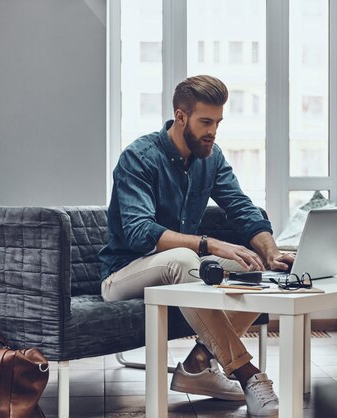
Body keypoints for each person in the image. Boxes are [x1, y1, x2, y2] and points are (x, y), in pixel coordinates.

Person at [99, 75, 294, 417]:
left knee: (252, 269)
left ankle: (198, 364)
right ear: (180, 116)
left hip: (181, 271)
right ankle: (248, 374)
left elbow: (242, 208)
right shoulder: (139, 157)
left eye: (217, 122)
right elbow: (138, 231)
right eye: (206, 122)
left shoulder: (211, 157)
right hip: (123, 275)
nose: (213, 132)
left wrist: (271, 251)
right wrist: (209, 244)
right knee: (187, 259)